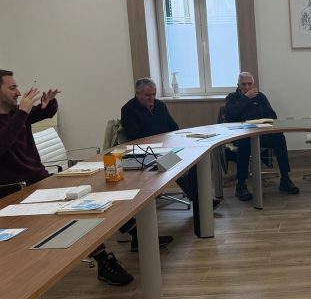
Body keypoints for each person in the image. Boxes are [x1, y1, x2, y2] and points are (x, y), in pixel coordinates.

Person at [0, 70, 133, 286]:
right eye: (12, 87)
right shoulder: (18, 115)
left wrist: (49, 103)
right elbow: (3, 142)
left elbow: (46, 113)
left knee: (91, 198)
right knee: (73, 213)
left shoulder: (17, 114)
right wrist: (23, 112)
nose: (18, 92)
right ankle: (104, 260)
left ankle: (133, 231)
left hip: (40, 179)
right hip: (17, 189)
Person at [120, 77, 198, 242]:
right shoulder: (128, 109)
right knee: (173, 163)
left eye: (154, 94)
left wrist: (175, 142)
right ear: (137, 94)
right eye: (148, 95)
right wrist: (158, 146)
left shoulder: (160, 105)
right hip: (144, 154)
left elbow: (174, 127)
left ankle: (199, 201)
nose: (152, 98)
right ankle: (199, 202)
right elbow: (134, 137)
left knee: (188, 160)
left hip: (165, 149)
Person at [224, 72, 299, 202]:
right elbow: (230, 115)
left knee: (279, 138)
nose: (247, 87)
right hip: (240, 136)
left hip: (260, 134)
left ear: (254, 84)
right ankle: (241, 184)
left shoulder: (260, 97)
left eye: (250, 84)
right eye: (244, 84)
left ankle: (285, 178)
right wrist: (245, 98)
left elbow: (272, 116)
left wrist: (265, 122)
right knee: (244, 142)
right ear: (238, 85)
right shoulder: (232, 97)